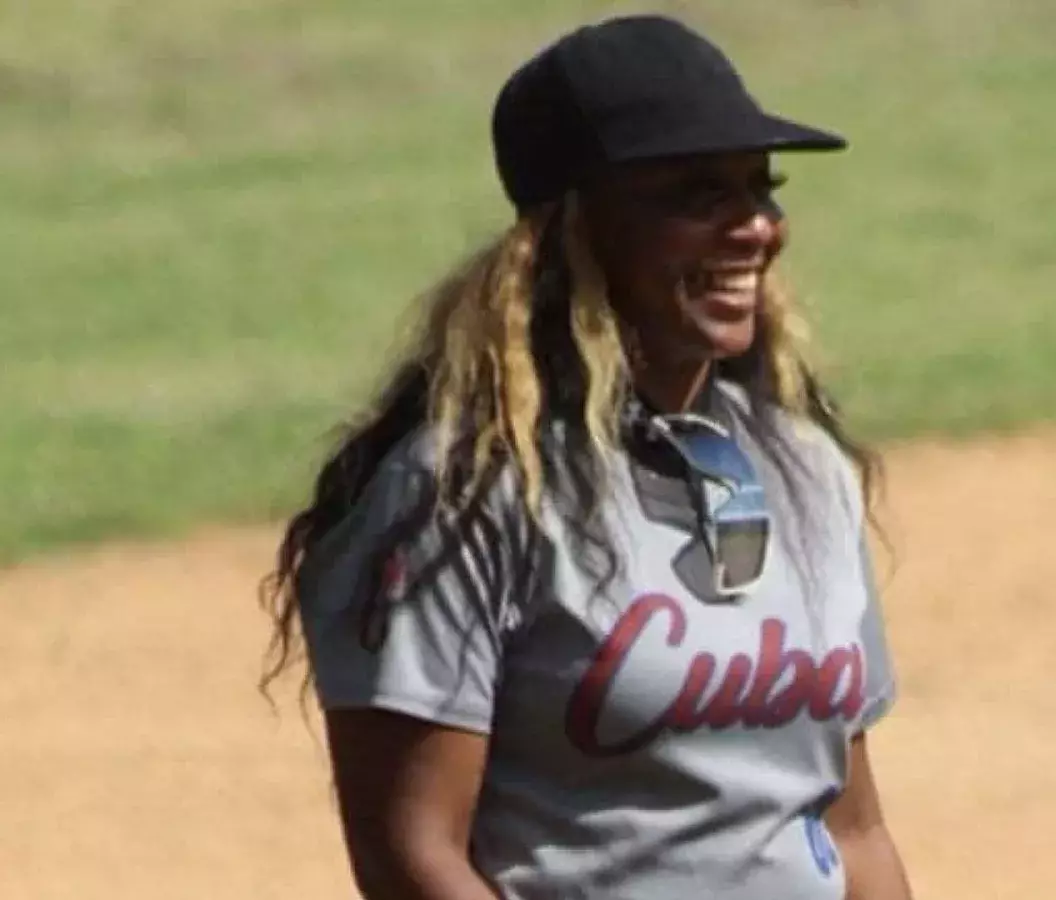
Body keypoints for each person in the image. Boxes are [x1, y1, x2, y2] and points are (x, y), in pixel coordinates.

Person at [258, 13, 915, 900]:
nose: (757, 226)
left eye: (761, 187)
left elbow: (855, 830)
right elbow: (413, 855)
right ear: (571, 231)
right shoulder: (465, 489)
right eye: (696, 193)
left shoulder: (802, 469)